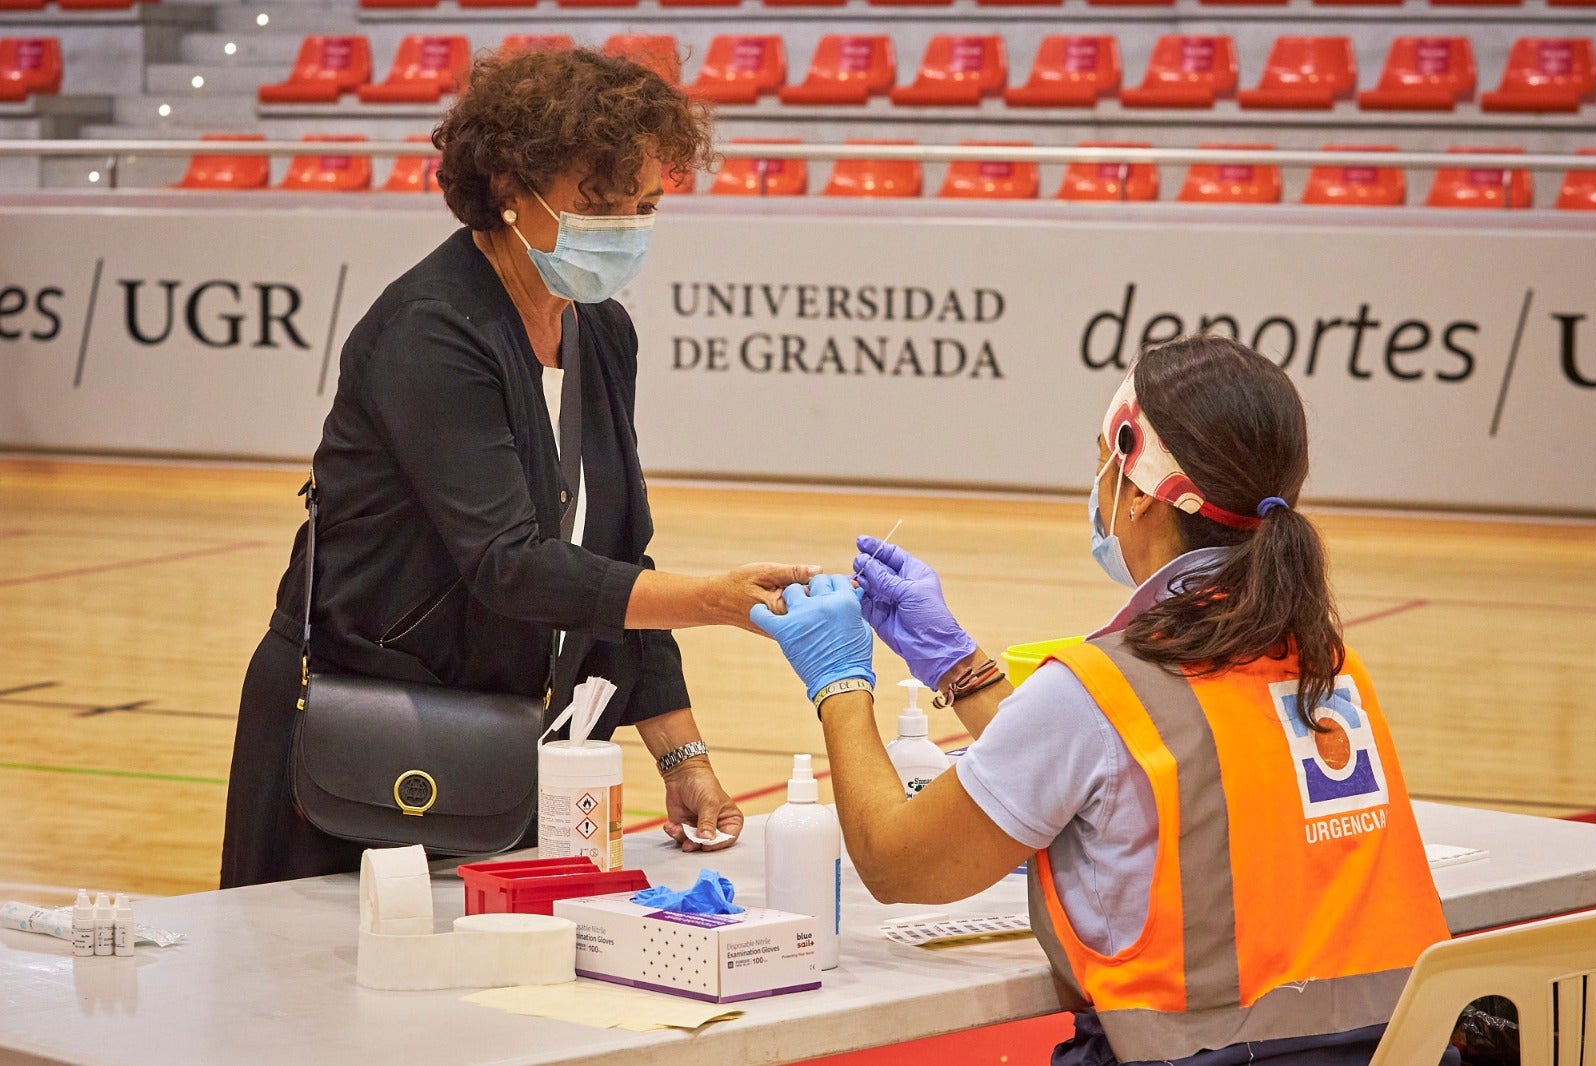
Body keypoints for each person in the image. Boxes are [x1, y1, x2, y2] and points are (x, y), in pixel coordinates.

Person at [753, 336, 1457, 1065]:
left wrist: (839, 680)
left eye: (1100, 462)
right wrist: (960, 667)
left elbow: (900, 865)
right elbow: (1114, 777)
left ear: (1144, 492)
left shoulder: (1100, 688)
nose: (1095, 485)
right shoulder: (1329, 662)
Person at [221, 47, 817, 889]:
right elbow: (510, 566)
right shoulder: (431, 331)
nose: (627, 229)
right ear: (511, 189)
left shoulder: (602, 331)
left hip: (499, 731)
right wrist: (714, 601)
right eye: (601, 205)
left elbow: (616, 559)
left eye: (644, 206)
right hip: (361, 730)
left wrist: (681, 755)